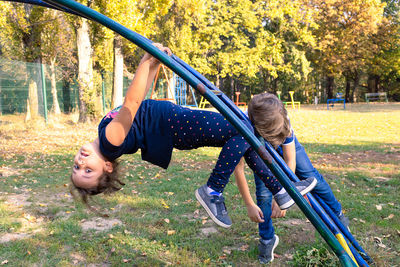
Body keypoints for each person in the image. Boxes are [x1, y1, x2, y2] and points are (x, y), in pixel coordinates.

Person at [70, 44, 317, 226]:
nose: (81, 163)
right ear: (107, 167)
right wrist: (145, 60)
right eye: (88, 171)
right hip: (175, 126)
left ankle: (280, 190)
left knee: (243, 134)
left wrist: (154, 65)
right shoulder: (110, 141)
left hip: (175, 126)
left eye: (77, 168)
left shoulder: (105, 135)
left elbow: (140, 101)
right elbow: (131, 103)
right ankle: (212, 190)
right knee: (243, 128)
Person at [233, 92, 349, 264]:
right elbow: (239, 168)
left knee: (311, 176)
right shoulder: (243, 129)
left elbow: (290, 159)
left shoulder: (282, 122)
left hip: (289, 148)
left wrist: (284, 195)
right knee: (263, 194)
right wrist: (250, 204)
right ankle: (267, 238)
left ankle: (338, 215)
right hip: (259, 148)